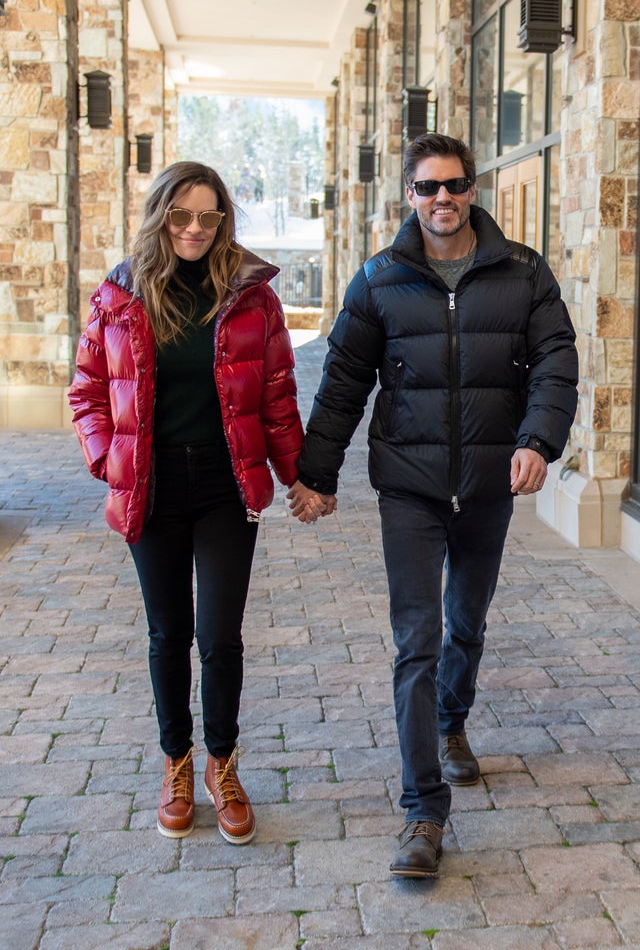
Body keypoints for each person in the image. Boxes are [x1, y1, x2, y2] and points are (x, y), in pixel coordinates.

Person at [288, 133, 578, 878]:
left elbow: (555, 362)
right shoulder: (380, 279)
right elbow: (344, 381)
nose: (441, 198)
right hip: (410, 488)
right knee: (416, 640)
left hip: (487, 485)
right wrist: (317, 475)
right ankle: (423, 811)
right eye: (427, 188)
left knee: (465, 624)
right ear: (408, 197)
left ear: (472, 189)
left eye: (453, 184)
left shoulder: (522, 272)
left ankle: (451, 726)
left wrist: (538, 441)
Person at [69, 161, 305, 845]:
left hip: (225, 488)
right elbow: (86, 390)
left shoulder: (254, 298)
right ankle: (175, 762)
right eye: (182, 216)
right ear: (160, 217)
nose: (195, 229)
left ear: (224, 220)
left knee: (219, 636)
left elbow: (278, 395)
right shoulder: (119, 295)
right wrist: (103, 457)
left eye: (208, 216)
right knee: (167, 634)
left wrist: (299, 477)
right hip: (152, 485)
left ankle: (222, 766)